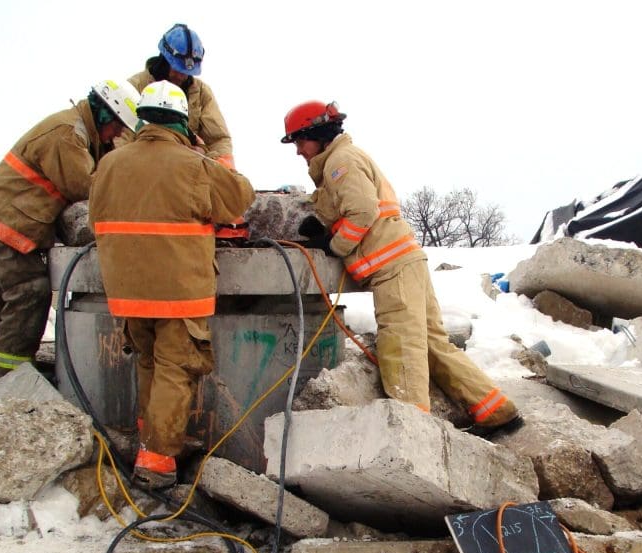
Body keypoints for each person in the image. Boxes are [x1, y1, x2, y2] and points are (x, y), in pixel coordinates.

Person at [281, 100, 522, 435]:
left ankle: (412, 435)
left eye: (299, 141)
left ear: (318, 134)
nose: (298, 151)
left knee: (401, 349)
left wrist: (330, 245)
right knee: (432, 346)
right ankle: (496, 411)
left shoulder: (341, 162)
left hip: (392, 268)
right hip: (405, 262)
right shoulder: (343, 160)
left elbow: (363, 213)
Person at [90, 81, 255, 489]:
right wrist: (206, 152)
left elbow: (95, 215)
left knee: (148, 363)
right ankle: (159, 459)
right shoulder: (193, 164)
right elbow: (240, 197)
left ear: (141, 118)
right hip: (179, 292)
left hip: (128, 291)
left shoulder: (109, 164)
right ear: (183, 124)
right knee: (175, 370)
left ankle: (150, 441)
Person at [0, 79, 141, 390]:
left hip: (5, 218)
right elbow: (86, 188)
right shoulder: (67, 135)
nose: (119, 134)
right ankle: (14, 381)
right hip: (11, 223)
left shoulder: (80, 131)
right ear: (105, 115)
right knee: (30, 293)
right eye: (118, 126)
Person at [124, 23, 236, 170]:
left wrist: (206, 156)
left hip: (186, 173)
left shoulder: (201, 93)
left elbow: (219, 139)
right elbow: (120, 137)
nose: (181, 75)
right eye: (176, 68)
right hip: (141, 171)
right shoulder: (134, 87)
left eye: (186, 71)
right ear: (164, 60)